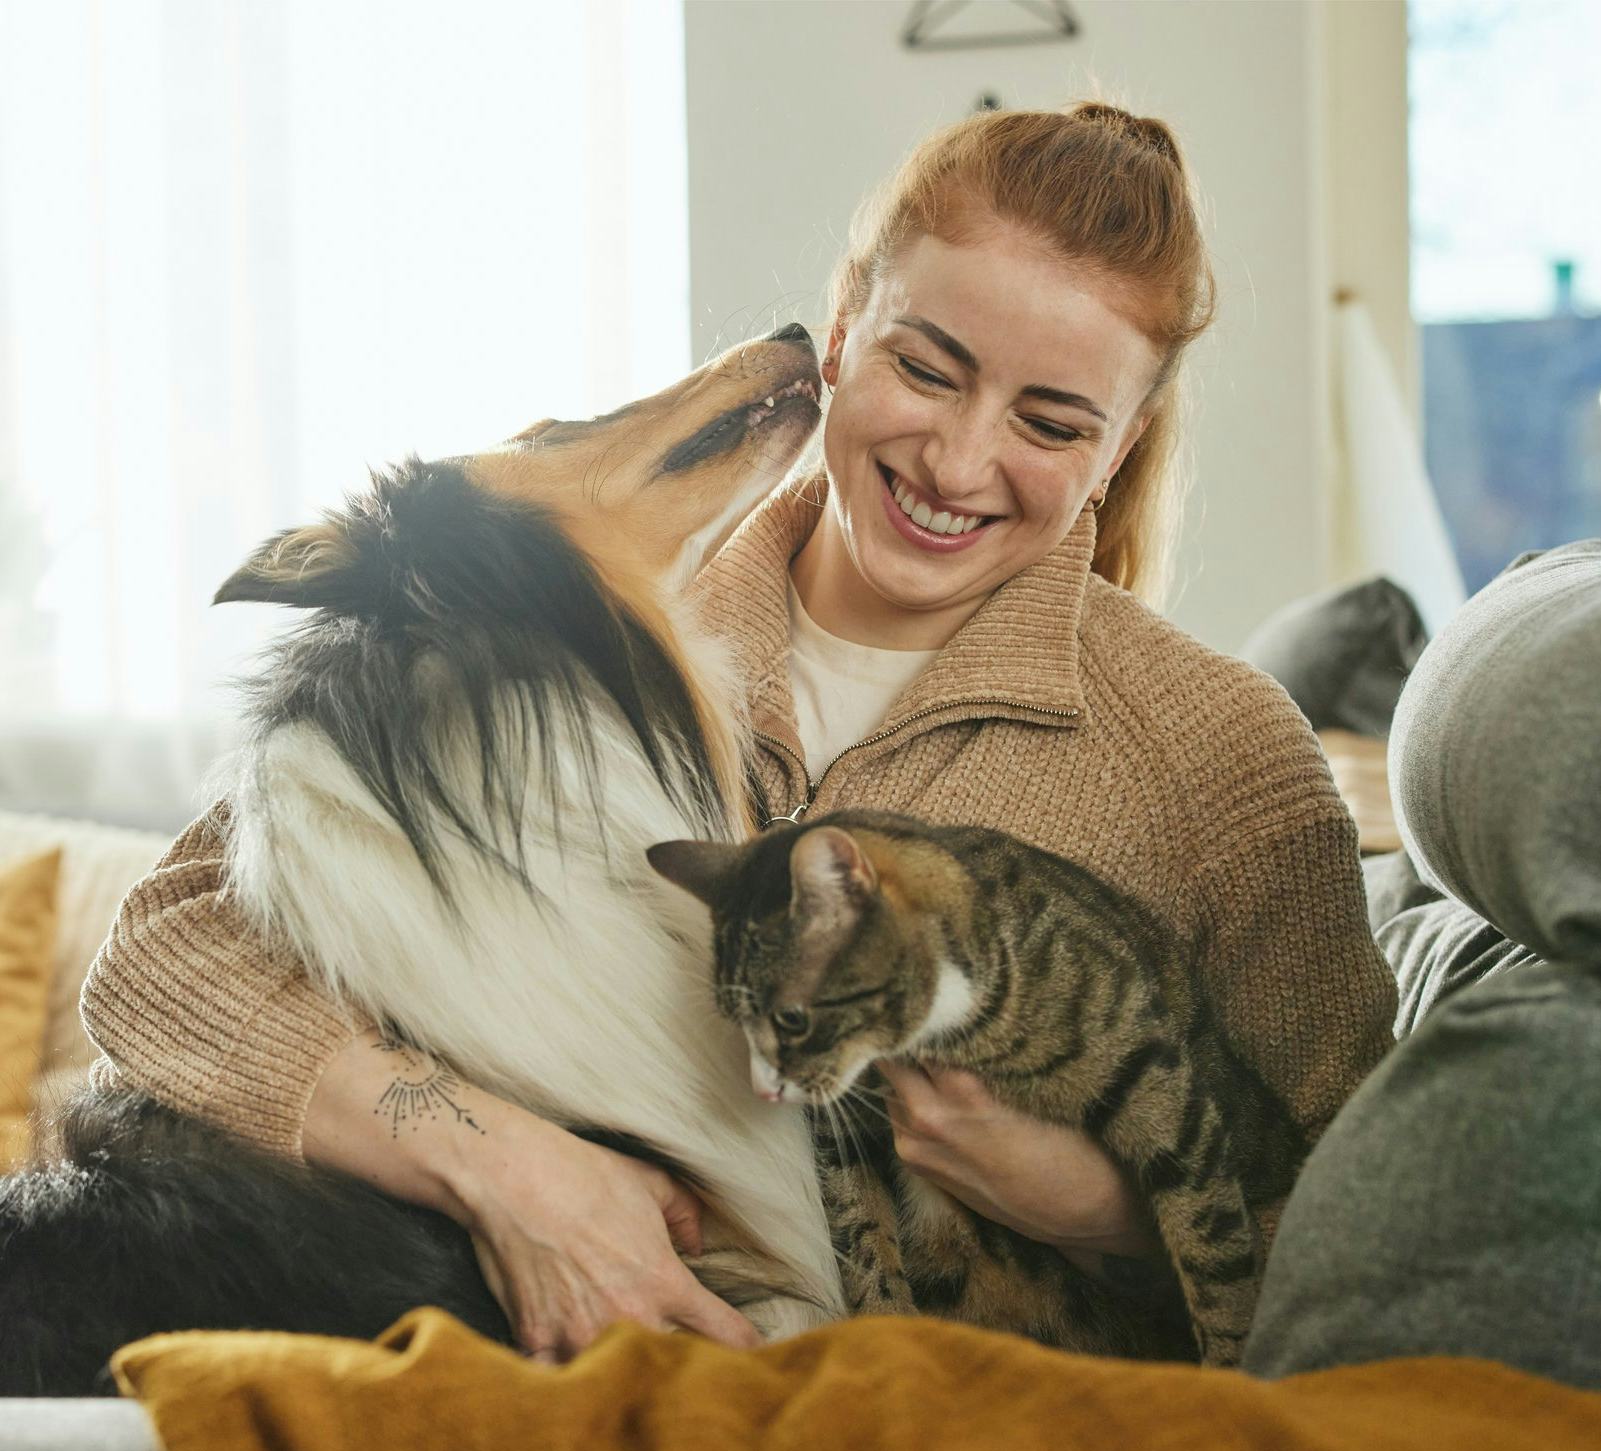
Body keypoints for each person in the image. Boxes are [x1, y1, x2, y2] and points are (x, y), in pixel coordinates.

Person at [82, 104, 1396, 1363]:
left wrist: (1105, 1212)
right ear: (843, 326)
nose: (956, 462)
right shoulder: (583, 622)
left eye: (1050, 424)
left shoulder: (1214, 756)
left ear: (1121, 446)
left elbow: (1372, 1242)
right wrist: (509, 1170)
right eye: (924, 369)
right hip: (524, 1373)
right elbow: (160, 962)